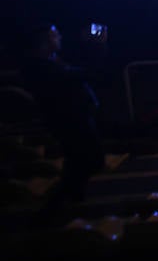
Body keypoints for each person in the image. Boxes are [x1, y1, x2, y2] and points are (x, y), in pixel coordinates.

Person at [21, 25, 106, 217]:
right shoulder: (41, 67)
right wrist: (97, 47)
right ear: (44, 40)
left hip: (72, 118)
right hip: (69, 120)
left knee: (78, 161)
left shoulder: (48, 62)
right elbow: (85, 74)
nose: (59, 36)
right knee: (89, 160)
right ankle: (54, 210)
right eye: (54, 34)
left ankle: (70, 207)